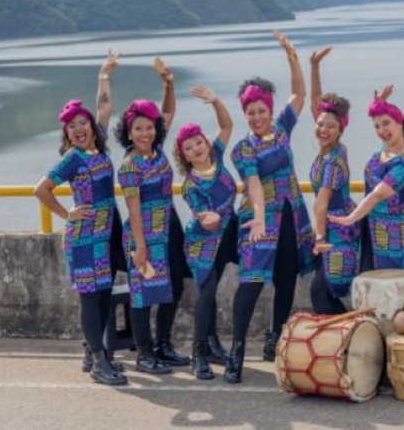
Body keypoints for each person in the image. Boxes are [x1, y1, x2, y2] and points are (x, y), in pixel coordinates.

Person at [227, 32, 317, 383]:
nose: (256, 117)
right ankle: (236, 350)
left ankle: (274, 339)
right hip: (258, 221)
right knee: (249, 282)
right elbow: (252, 183)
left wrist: (291, 56)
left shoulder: (282, 130)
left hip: (291, 216)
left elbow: (299, 94)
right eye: (250, 113)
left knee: (285, 280)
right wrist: (262, 218)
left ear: (269, 109)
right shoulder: (242, 149)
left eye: (261, 110)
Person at [34, 50, 126, 386]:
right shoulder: (72, 159)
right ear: (68, 134)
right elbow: (41, 190)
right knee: (91, 299)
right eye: (71, 126)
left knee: (103, 296)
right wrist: (66, 213)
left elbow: (103, 106)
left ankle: (93, 353)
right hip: (84, 238)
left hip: (105, 234)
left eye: (81, 122)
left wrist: (104, 73)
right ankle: (101, 363)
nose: (78, 129)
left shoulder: (99, 146)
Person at [116, 58, 190, 374]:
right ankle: (144, 354)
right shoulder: (130, 166)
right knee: (142, 292)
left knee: (174, 284)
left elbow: (169, 112)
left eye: (149, 127)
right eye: (138, 129)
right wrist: (140, 246)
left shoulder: (158, 151)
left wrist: (169, 84)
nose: (145, 133)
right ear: (129, 132)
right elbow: (132, 209)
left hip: (169, 224)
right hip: (142, 230)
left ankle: (163, 345)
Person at [174, 85, 236, 379]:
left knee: (217, 289)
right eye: (189, 148)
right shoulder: (190, 185)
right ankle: (197, 354)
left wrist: (215, 101)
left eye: (198, 142)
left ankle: (212, 344)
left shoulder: (219, 157)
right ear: (184, 157)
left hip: (226, 234)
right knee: (207, 292)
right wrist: (209, 216)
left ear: (206, 143)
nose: (196, 149)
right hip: (202, 242)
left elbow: (226, 125)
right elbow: (204, 217)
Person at [328, 94, 404, 272]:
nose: (381, 130)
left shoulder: (403, 164)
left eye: (386, 123)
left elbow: (377, 194)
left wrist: (351, 218)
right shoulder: (385, 148)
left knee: (397, 291)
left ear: (399, 123)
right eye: (377, 126)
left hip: (397, 237)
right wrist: (378, 103)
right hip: (373, 228)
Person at [307, 45, 360, 315]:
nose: (322, 128)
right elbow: (316, 106)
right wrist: (314, 67)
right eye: (320, 124)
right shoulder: (329, 150)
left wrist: (318, 238)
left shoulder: (333, 160)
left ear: (340, 129)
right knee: (322, 291)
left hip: (336, 231)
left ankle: (352, 335)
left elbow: (321, 203)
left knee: (322, 291)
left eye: (330, 125)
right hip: (331, 228)